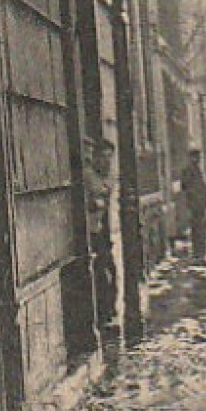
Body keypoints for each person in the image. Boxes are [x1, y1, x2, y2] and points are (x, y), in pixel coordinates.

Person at [86, 141, 117, 329]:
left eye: (109, 157)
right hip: (90, 232)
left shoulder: (109, 176)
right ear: (95, 158)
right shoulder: (88, 175)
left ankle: (109, 310)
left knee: (109, 270)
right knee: (101, 272)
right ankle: (103, 313)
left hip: (101, 229)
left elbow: (104, 192)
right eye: (102, 157)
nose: (106, 161)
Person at [180, 148, 206, 259]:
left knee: (201, 229)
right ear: (191, 158)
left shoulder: (198, 170)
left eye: (198, 157)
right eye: (195, 157)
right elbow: (185, 188)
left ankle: (201, 253)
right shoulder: (188, 171)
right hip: (194, 205)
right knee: (197, 230)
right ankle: (198, 254)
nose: (197, 159)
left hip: (200, 205)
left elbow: (203, 187)